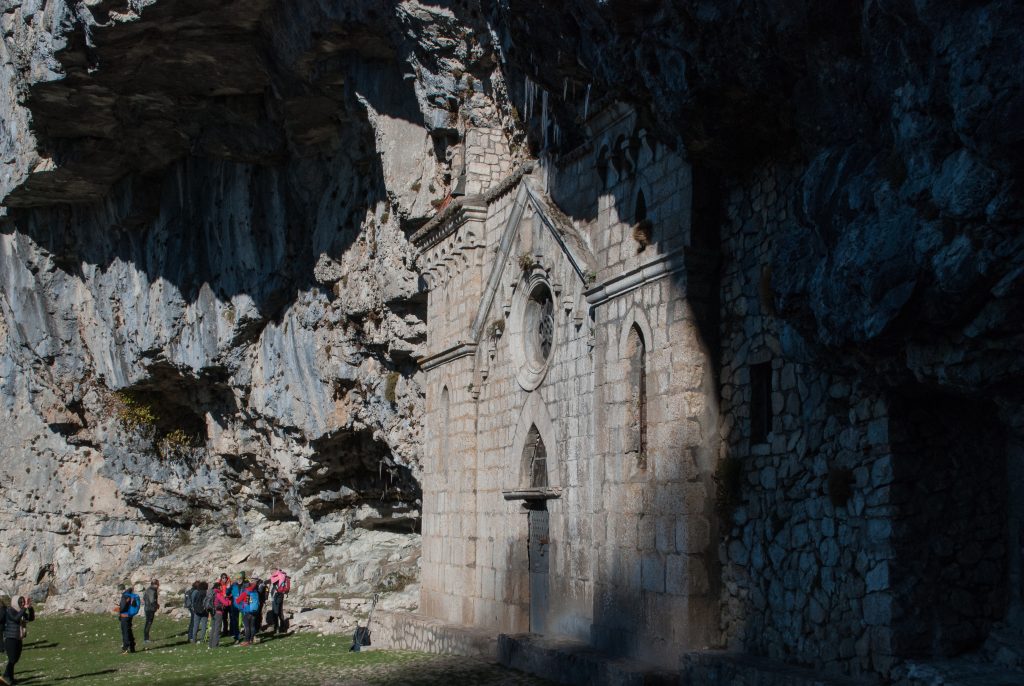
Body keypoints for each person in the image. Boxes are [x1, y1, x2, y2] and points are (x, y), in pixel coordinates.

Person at [1, 595, 34, 685]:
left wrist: (30, 608)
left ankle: (10, 678)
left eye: (23, 602)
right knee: (12, 659)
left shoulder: (21, 611)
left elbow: (31, 618)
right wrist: (24, 609)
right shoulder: (10, 610)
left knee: (15, 659)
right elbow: (16, 619)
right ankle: (5, 676)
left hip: (18, 638)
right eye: (21, 602)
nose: (22, 604)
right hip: (10, 638)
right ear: (16, 602)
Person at [116, 584, 140, 655]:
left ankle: (126, 648)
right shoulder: (130, 594)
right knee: (129, 630)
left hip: (124, 616)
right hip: (129, 615)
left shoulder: (124, 596)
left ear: (120, 590)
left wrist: (119, 609)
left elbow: (123, 607)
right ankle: (132, 647)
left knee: (125, 631)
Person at [236, 579, 260, 646]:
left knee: (247, 627)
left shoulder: (245, 592)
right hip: (254, 611)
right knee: (252, 626)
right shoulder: (255, 591)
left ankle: (246, 641)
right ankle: (251, 640)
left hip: (247, 611)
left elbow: (238, 601)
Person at [209, 582, 231, 649]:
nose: (221, 588)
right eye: (221, 587)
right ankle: (215, 645)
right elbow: (226, 603)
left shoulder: (211, 593)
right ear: (218, 587)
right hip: (218, 613)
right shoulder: (218, 594)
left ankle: (210, 644)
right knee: (217, 629)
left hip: (212, 612)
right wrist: (228, 599)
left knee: (213, 629)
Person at [269, 569, 290, 634]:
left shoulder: (277, 577)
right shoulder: (283, 575)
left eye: (272, 572)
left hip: (276, 595)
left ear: (275, 571)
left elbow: (271, 582)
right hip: (281, 595)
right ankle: (282, 627)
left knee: (275, 612)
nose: (271, 574)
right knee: (280, 611)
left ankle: (276, 628)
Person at [228, 573, 246, 643]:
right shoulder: (233, 585)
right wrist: (229, 588)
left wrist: (248, 604)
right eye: (237, 579)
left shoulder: (245, 585)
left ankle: (247, 636)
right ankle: (237, 637)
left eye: (240, 578)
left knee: (245, 621)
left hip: (243, 605)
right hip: (235, 605)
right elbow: (227, 593)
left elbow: (249, 594)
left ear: (242, 578)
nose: (239, 580)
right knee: (235, 621)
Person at [142, 579, 160, 643]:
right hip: (150, 609)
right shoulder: (152, 590)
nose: (158, 586)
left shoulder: (148, 589)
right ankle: (146, 639)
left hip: (147, 608)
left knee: (148, 622)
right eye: (158, 584)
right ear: (155, 584)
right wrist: (156, 606)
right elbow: (152, 600)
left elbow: (144, 598)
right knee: (149, 623)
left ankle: (146, 638)